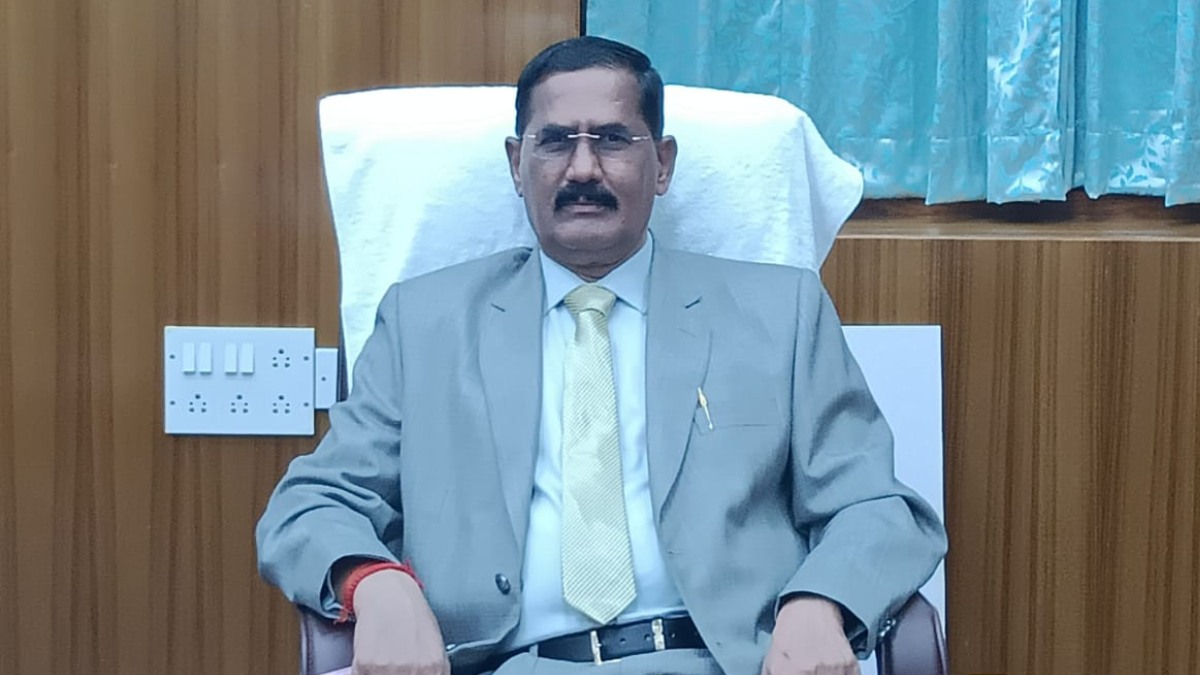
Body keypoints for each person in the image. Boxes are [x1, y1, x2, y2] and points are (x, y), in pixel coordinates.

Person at [257, 36, 946, 675]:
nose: (582, 168)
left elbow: (878, 507)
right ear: (517, 164)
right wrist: (375, 582)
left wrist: (821, 601)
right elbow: (310, 504)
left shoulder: (777, 311)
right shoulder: (425, 322)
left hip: (719, 658)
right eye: (555, 141)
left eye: (613, 140)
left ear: (662, 163)